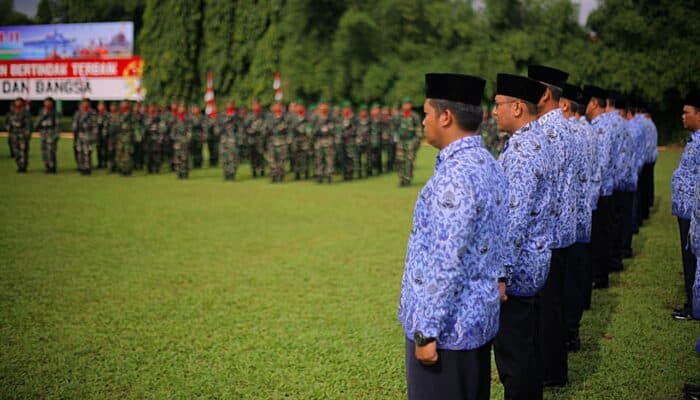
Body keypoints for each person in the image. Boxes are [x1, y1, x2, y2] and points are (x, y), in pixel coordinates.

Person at [399, 73, 506, 400]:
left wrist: (426, 331)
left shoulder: (455, 177)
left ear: (446, 117)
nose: (423, 121)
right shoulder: (486, 161)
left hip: (447, 332)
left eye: (427, 113)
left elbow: (446, 261)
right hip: (474, 321)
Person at [492, 73, 552, 400]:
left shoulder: (523, 151)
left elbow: (514, 218)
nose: (493, 111)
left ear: (517, 108)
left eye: (498, 105)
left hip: (519, 268)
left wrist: (501, 272)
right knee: (525, 349)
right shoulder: (535, 139)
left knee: (515, 356)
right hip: (535, 258)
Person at [528, 65, 577, 387]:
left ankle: (550, 372)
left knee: (547, 311)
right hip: (562, 231)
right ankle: (554, 370)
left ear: (544, 94)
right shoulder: (566, 125)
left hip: (548, 234)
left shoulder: (547, 130)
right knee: (554, 307)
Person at [560, 84, 596, 351]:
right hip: (584, 211)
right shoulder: (589, 129)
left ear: (564, 105)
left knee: (567, 279)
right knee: (578, 273)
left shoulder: (568, 132)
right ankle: (573, 329)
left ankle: (568, 331)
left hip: (567, 217)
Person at [671, 91, 700, 321]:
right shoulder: (694, 140)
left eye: (686, 112)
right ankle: (692, 302)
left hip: (693, 210)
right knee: (688, 257)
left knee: (692, 258)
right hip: (685, 209)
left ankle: (694, 305)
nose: (683, 116)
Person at [584, 85, 616, 291]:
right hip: (603, 190)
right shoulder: (600, 124)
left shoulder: (600, 127)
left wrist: (591, 198)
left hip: (600, 192)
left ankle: (600, 277)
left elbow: (600, 165)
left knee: (599, 239)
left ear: (594, 102)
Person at [395, 97, 422, 186]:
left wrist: (416, 141)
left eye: (408, 104)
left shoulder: (415, 116)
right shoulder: (398, 116)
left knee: (409, 161)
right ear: (402, 105)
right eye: (405, 104)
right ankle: (401, 179)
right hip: (401, 142)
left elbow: (418, 129)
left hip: (410, 141)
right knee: (400, 160)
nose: (407, 106)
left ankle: (408, 179)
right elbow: (394, 128)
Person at [5, 97, 32, 173]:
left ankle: (23, 167)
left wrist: (27, 134)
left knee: (23, 151)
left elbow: (28, 125)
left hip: (22, 135)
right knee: (15, 152)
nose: (18, 103)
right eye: (16, 101)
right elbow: (6, 122)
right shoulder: (11, 112)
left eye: (19, 102)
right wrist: (8, 129)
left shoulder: (26, 113)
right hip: (13, 135)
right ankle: (19, 165)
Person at [312, 101, 335, 184]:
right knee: (319, 159)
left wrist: (329, 129)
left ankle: (329, 176)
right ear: (319, 107)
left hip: (328, 140)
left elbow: (334, 128)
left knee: (329, 159)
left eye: (325, 106)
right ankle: (319, 175)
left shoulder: (331, 117)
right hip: (319, 140)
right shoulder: (315, 117)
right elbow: (312, 129)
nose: (323, 108)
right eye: (322, 106)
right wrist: (318, 130)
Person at [72, 98, 97, 175]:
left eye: (86, 103)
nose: (85, 104)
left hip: (88, 134)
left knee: (87, 152)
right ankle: (81, 167)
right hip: (79, 135)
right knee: (80, 152)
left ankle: (87, 168)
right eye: (83, 103)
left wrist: (94, 136)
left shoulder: (92, 113)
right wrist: (74, 132)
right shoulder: (78, 113)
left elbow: (94, 125)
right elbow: (75, 124)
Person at [35, 97, 60, 174]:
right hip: (43, 135)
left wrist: (56, 136)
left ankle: (52, 167)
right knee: (44, 152)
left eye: (49, 102)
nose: (47, 104)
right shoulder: (41, 112)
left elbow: (57, 125)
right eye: (46, 102)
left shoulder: (55, 113)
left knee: (51, 152)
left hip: (51, 134)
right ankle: (47, 166)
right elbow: (36, 124)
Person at [267, 102, 289, 183]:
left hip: (282, 141)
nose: (277, 108)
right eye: (275, 106)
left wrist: (288, 140)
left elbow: (289, 130)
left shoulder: (285, 118)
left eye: (279, 106)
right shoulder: (269, 118)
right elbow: (266, 130)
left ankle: (281, 176)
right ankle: (273, 176)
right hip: (272, 141)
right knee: (272, 160)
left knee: (282, 160)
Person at [220, 100, 240, 181]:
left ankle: (232, 175)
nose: (229, 105)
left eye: (231, 103)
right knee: (225, 158)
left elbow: (240, 128)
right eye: (228, 103)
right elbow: (218, 127)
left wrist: (239, 139)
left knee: (233, 158)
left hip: (233, 140)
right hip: (224, 140)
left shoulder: (237, 115)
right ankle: (226, 174)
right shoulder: (221, 115)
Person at [173, 103, 191, 179]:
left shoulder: (187, 119)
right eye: (180, 108)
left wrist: (187, 140)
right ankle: (179, 174)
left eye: (182, 108)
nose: (181, 109)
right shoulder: (175, 119)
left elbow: (189, 131)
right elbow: (173, 131)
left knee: (184, 158)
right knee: (177, 158)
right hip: (177, 142)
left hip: (184, 141)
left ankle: (184, 174)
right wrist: (175, 140)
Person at [188, 104, 206, 169]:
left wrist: (204, 135)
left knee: (199, 151)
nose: (195, 110)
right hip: (191, 137)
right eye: (193, 109)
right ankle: (192, 165)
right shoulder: (189, 117)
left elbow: (204, 127)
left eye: (196, 109)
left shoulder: (201, 117)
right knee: (191, 152)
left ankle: (198, 165)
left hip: (199, 137)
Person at [95, 101, 109, 169]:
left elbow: (107, 124)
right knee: (98, 149)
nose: (100, 107)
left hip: (105, 134)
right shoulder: (97, 115)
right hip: (98, 134)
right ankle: (99, 163)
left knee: (105, 149)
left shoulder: (107, 115)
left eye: (101, 106)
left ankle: (105, 163)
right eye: (99, 106)